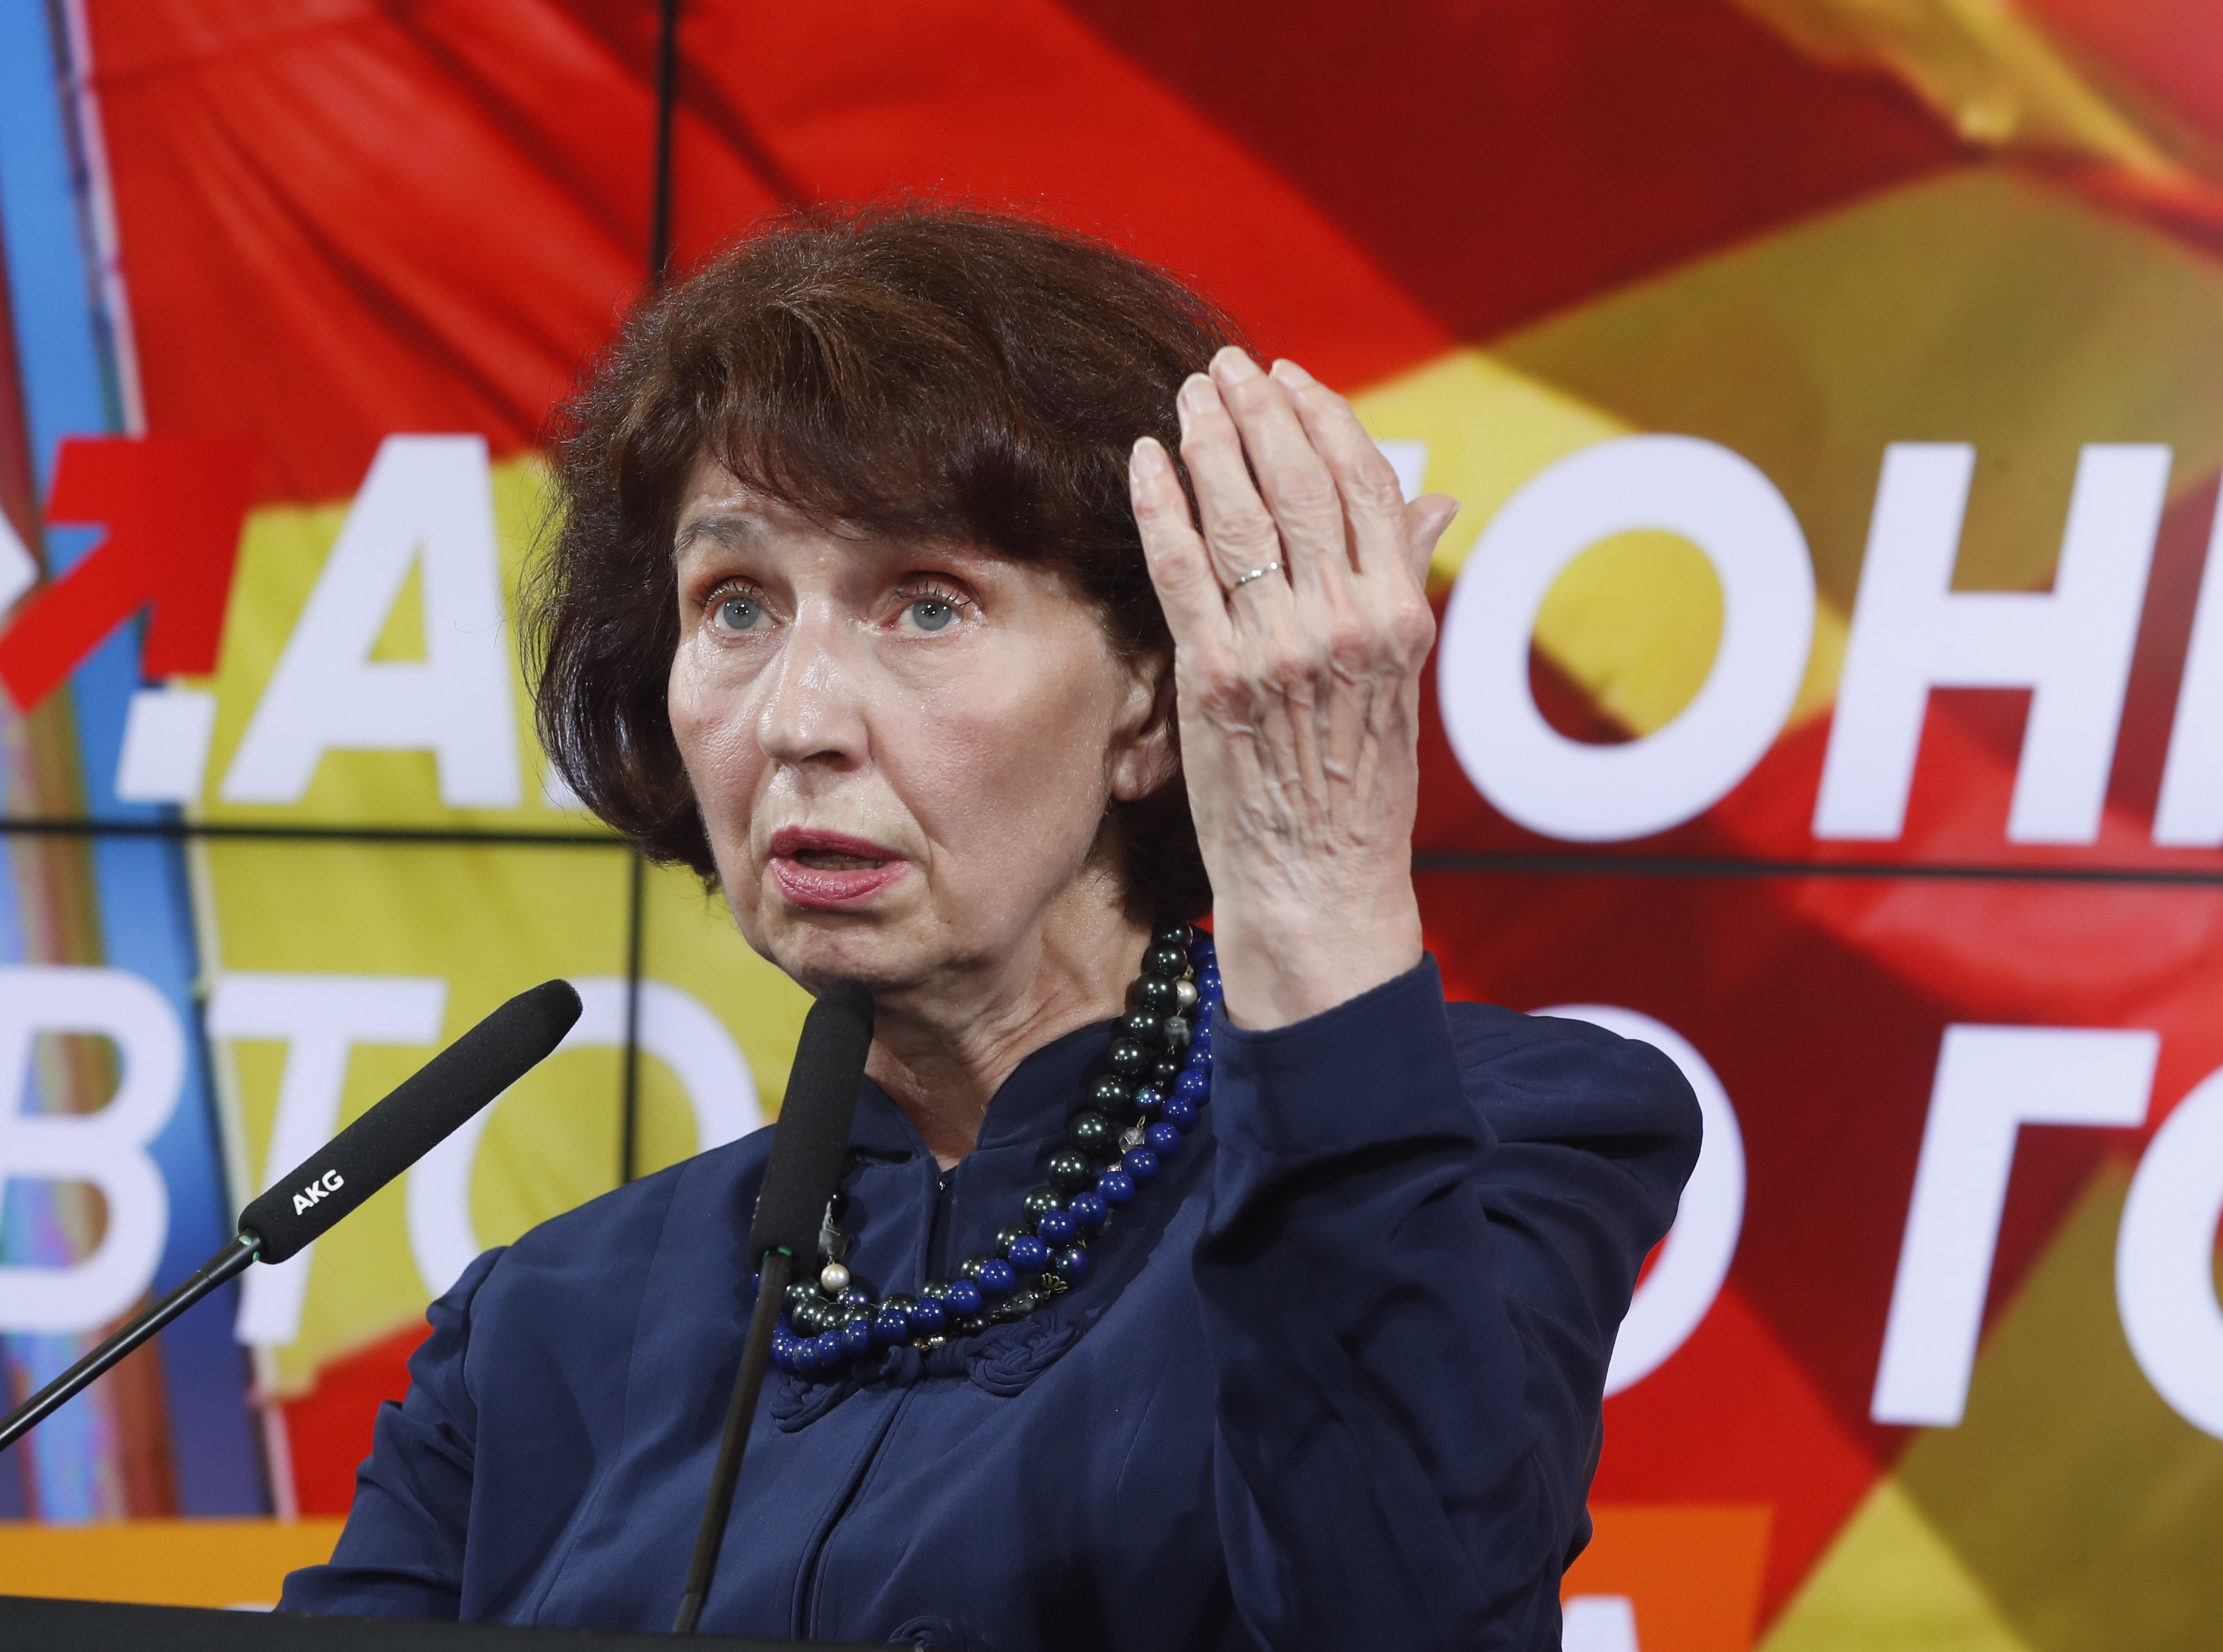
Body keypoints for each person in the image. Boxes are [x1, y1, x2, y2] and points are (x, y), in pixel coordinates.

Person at [280, 205, 1699, 1650]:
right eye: (736, 606)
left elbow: (1404, 1612)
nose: (797, 718)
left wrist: (1316, 893)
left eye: (927, 606)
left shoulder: (1491, 1134)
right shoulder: (542, 1327)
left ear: (1155, 696)